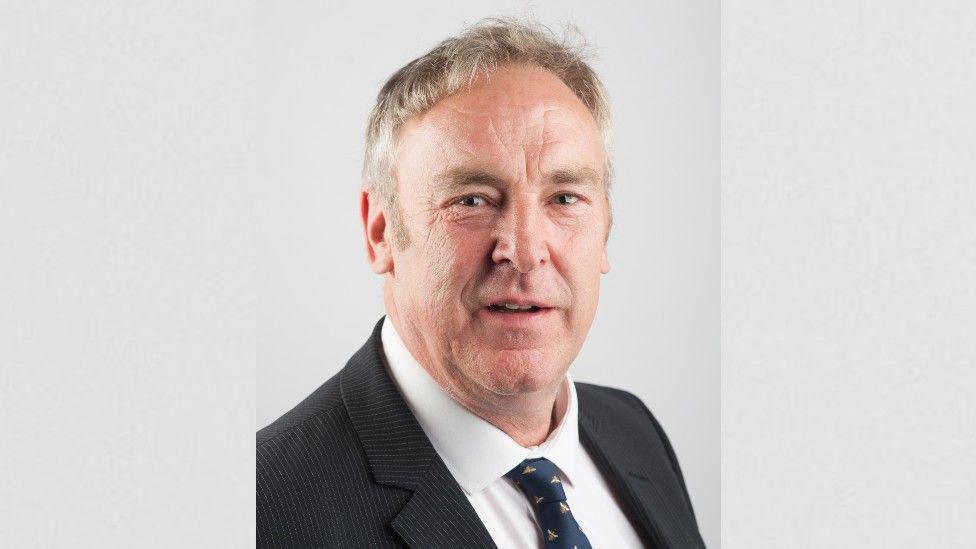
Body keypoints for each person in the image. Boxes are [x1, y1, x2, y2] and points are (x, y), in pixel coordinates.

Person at [257, 17, 705, 548]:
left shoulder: (634, 432)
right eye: (471, 200)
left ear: (606, 229)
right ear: (380, 232)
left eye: (565, 198)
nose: (523, 251)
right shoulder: (266, 510)